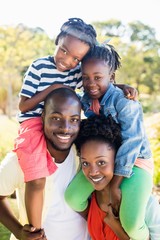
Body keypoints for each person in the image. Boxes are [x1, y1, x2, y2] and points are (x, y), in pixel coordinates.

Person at [12, 17, 138, 231]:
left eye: (75, 58)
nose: (67, 60)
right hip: (33, 123)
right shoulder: (39, 66)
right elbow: (23, 106)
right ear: (57, 40)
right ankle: (35, 230)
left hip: (60, 124)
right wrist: (51, 89)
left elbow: (97, 82)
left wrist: (122, 86)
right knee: (37, 179)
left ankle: (100, 226)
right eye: (64, 50)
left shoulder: (75, 72)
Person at [65, 44, 154, 240]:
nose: (91, 83)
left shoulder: (125, 101)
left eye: (98, 77)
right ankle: (101, 223)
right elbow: (70, 99)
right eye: (86, 77)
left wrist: (115, 185)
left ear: (111, 77)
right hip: (103, 160)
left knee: (131, 224)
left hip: (135, 162)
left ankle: (146, 236)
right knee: (73, 197)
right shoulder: (87, 99)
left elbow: (133, 142)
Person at [0, 88, 90, 240]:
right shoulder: (21, 159)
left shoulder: (85, 155)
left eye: (74, 119)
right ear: (43, 117)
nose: (66, 128)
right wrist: (17, 231)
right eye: (56, 118)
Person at [73, 114, 160, 240]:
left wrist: (117, 228)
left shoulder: (146, 205)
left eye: (101, 162)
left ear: (117, 160)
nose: (92, 172)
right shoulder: (90, 199)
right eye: (86, 163)